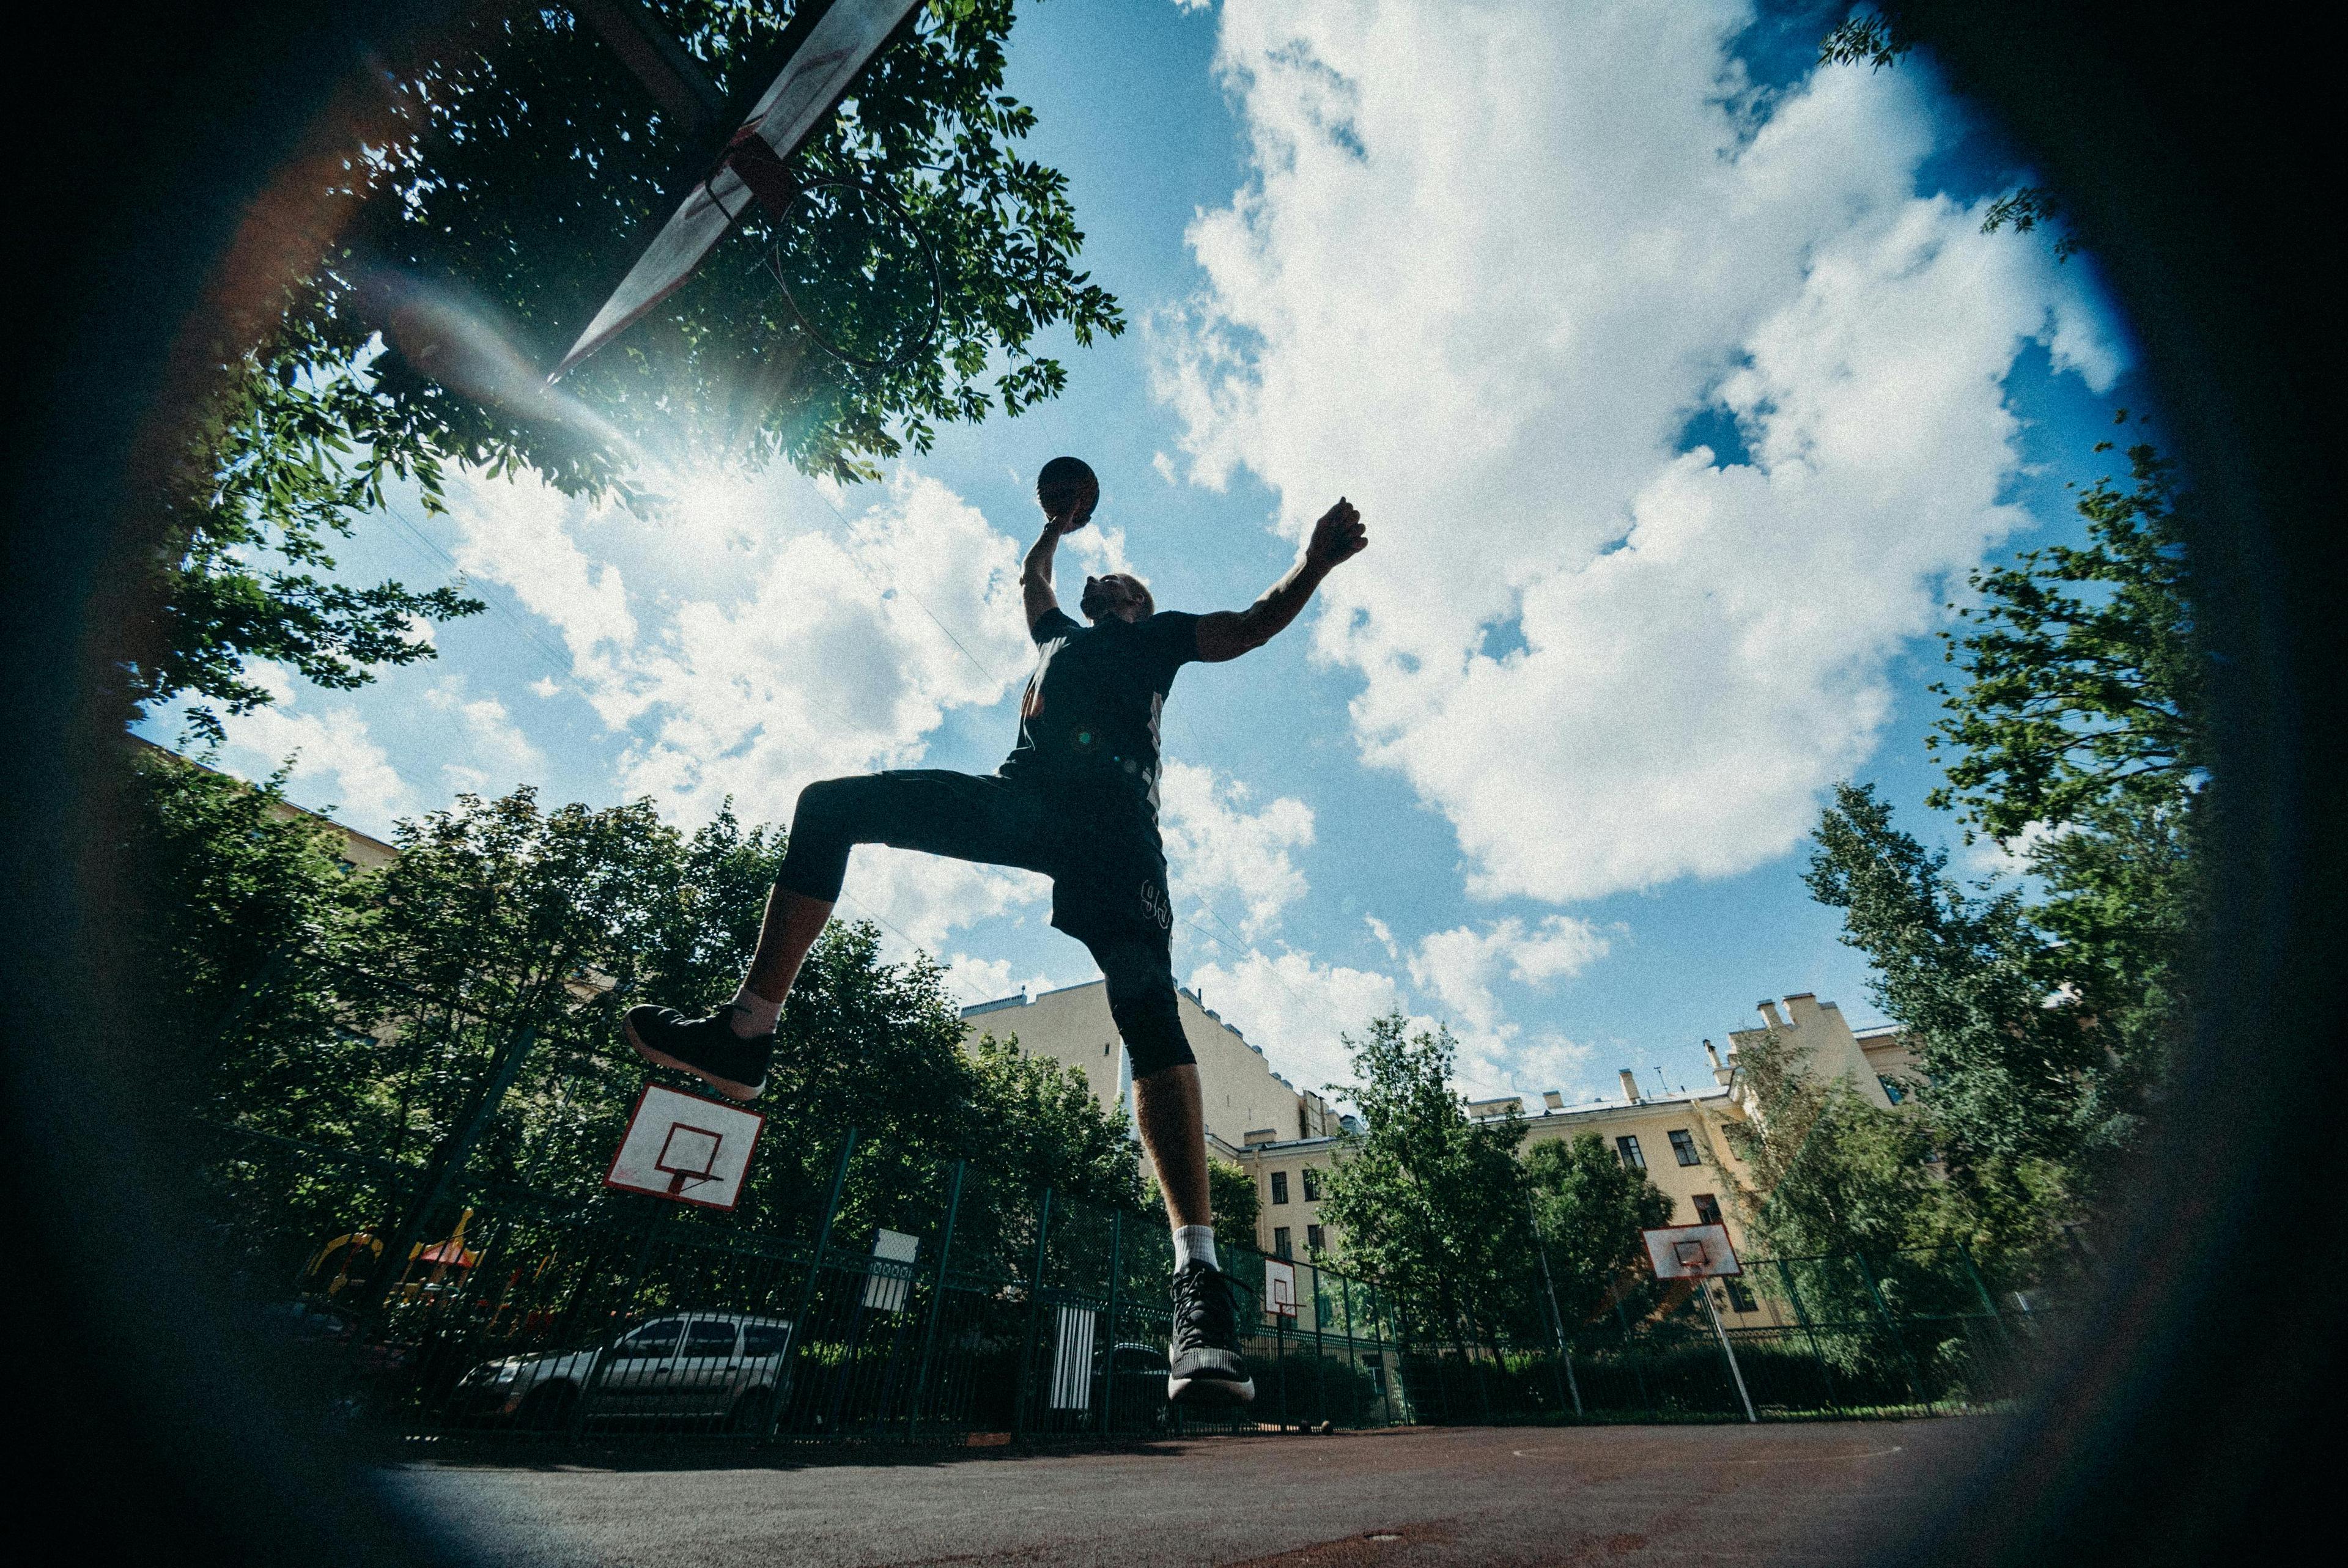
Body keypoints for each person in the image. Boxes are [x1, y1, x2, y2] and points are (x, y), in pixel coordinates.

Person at [623, 457, 1369, 1405]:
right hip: (1022, 804)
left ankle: (1198, 1279)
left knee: (1144, 1003)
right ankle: (747, 1031)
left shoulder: (1162, 642)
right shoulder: (1056, 633)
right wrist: (1056, 529)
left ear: (1141, 605)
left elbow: (1255, 623)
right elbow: (1034, 583)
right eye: (1105, 576)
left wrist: (1314, 562)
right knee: (826, 806)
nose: (1111, 581)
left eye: (1125, 581)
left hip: (1116, 834)